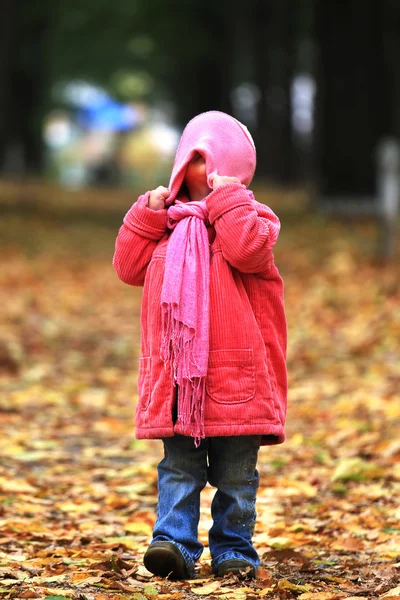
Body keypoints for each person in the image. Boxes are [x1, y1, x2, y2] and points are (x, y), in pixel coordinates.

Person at [113, 111, 287, 580]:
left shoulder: (253, 219)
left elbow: (244, 250)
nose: (206, 172)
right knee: (179, 468)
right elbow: (127, 268)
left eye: (215, 161)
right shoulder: (165, 226)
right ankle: (172, 543)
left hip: (236, 378)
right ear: (179, 166)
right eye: (196, 159)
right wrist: (146, 215)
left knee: (235, 475)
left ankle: (234, 549)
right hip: (177, 380)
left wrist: (228, 197)